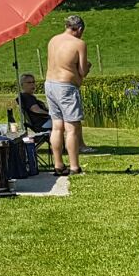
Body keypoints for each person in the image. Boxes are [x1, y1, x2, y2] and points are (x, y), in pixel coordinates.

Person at [45, 14, 91, 175]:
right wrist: (87, 66)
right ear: (79, 29)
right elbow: (83, 71)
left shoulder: (53, 40)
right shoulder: (79, 44)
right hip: (66, 87)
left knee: (57, 126)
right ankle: (74, 166)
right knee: (71, 128)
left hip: (50, 84)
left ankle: (58, 164)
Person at [16, 73, 50, 138]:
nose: (32, 84)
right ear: (22, 85)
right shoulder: (27, 97)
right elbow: (36, 109)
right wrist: (50, 114)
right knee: (62, 122)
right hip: (41, 123)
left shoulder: (25, 97)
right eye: (29, 82)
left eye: (33, 82)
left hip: (39, 123)